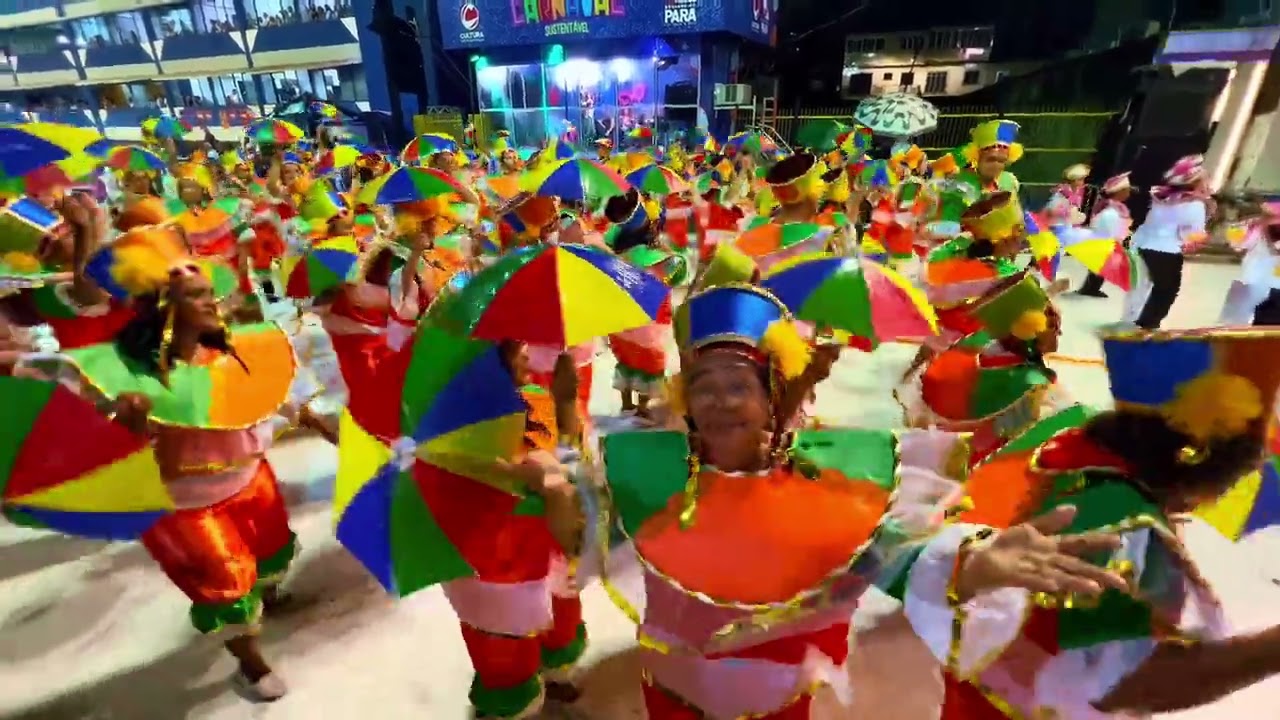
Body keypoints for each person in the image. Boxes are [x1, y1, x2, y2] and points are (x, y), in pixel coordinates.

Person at [583, 283, 1129, 720]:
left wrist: (973, 563)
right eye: (703, 386)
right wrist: (557, 506)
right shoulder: (643, 467)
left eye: (738, 386)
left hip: (772, 700)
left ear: (771, 397)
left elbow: (895, 553)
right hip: (668, 689)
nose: (719, 401)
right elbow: (583, 538)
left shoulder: (830, 474)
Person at [924, 325, 1280, 717]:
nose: (1244, 477)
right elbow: (1127, 684)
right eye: (1246, 462)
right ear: (1196, 453)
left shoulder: (1068, 434)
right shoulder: (1121, 528)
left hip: (968, 684)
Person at [51, 226, 335, 700]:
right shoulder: (126, 374)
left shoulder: (226, 349)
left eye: (209, 294)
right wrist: (134, 425)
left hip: (249, 478)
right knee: (224, 584)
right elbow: (108, 453)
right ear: (165, 307)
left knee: (269, 553)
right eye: (196, 297)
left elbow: (263, 397)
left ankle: (263, 596)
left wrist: (318, 421)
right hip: (184, 506)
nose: (212, 304)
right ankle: (251, 664)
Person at [1127, 155, 1210, 329]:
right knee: (1167, 290)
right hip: (1166, 250)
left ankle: (1136, 320)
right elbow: (1192, 234)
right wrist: (1203, 236)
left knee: (1145, 286)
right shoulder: (1194, 205)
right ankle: (1148, 325)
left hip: (1143, 243)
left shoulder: (1162, 197)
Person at [1077, 171, 1133, 298]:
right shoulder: (1110, 212)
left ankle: (1090, 288)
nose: (1129, 193)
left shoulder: (1113, 209)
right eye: (1127, 190)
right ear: (1119, 192)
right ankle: (1090, 289)